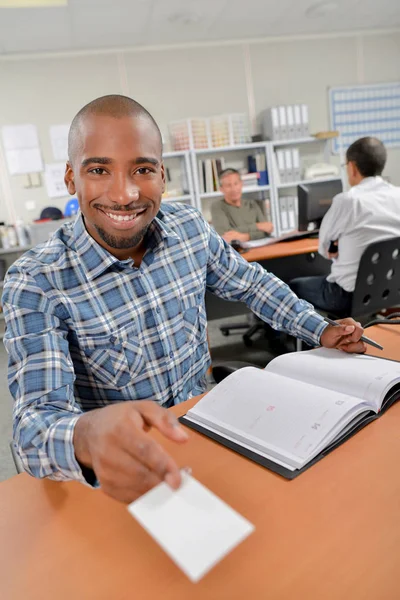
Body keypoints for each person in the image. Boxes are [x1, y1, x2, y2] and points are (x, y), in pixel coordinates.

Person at [2, 95, 366, 504]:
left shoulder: (189, 229)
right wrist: (84, 436)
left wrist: (320, 328)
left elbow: (253, 284)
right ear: (72, 179)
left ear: (162, 174)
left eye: (142, 169)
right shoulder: (36, 283)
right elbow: (33, 429)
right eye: (99, 169)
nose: (123, 195)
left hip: (208, 434)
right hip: (124, 475)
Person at [290, 137, 400, 316]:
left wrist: (334, 246)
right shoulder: (398, 195)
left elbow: (324, 250)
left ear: (352, 167)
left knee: (293, 286)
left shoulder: (348, 200)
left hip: (346, 296)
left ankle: (296, 342)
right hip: (390, 290)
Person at [210, 168, 273, 243]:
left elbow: (267, 230)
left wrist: (245, 237)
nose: (233, 189)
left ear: (241, 184)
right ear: (221, 189)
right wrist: (257, 226)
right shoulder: (217, 207)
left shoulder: (252, 204)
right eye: (228, 185)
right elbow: (225, 235)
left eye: (236, 183)